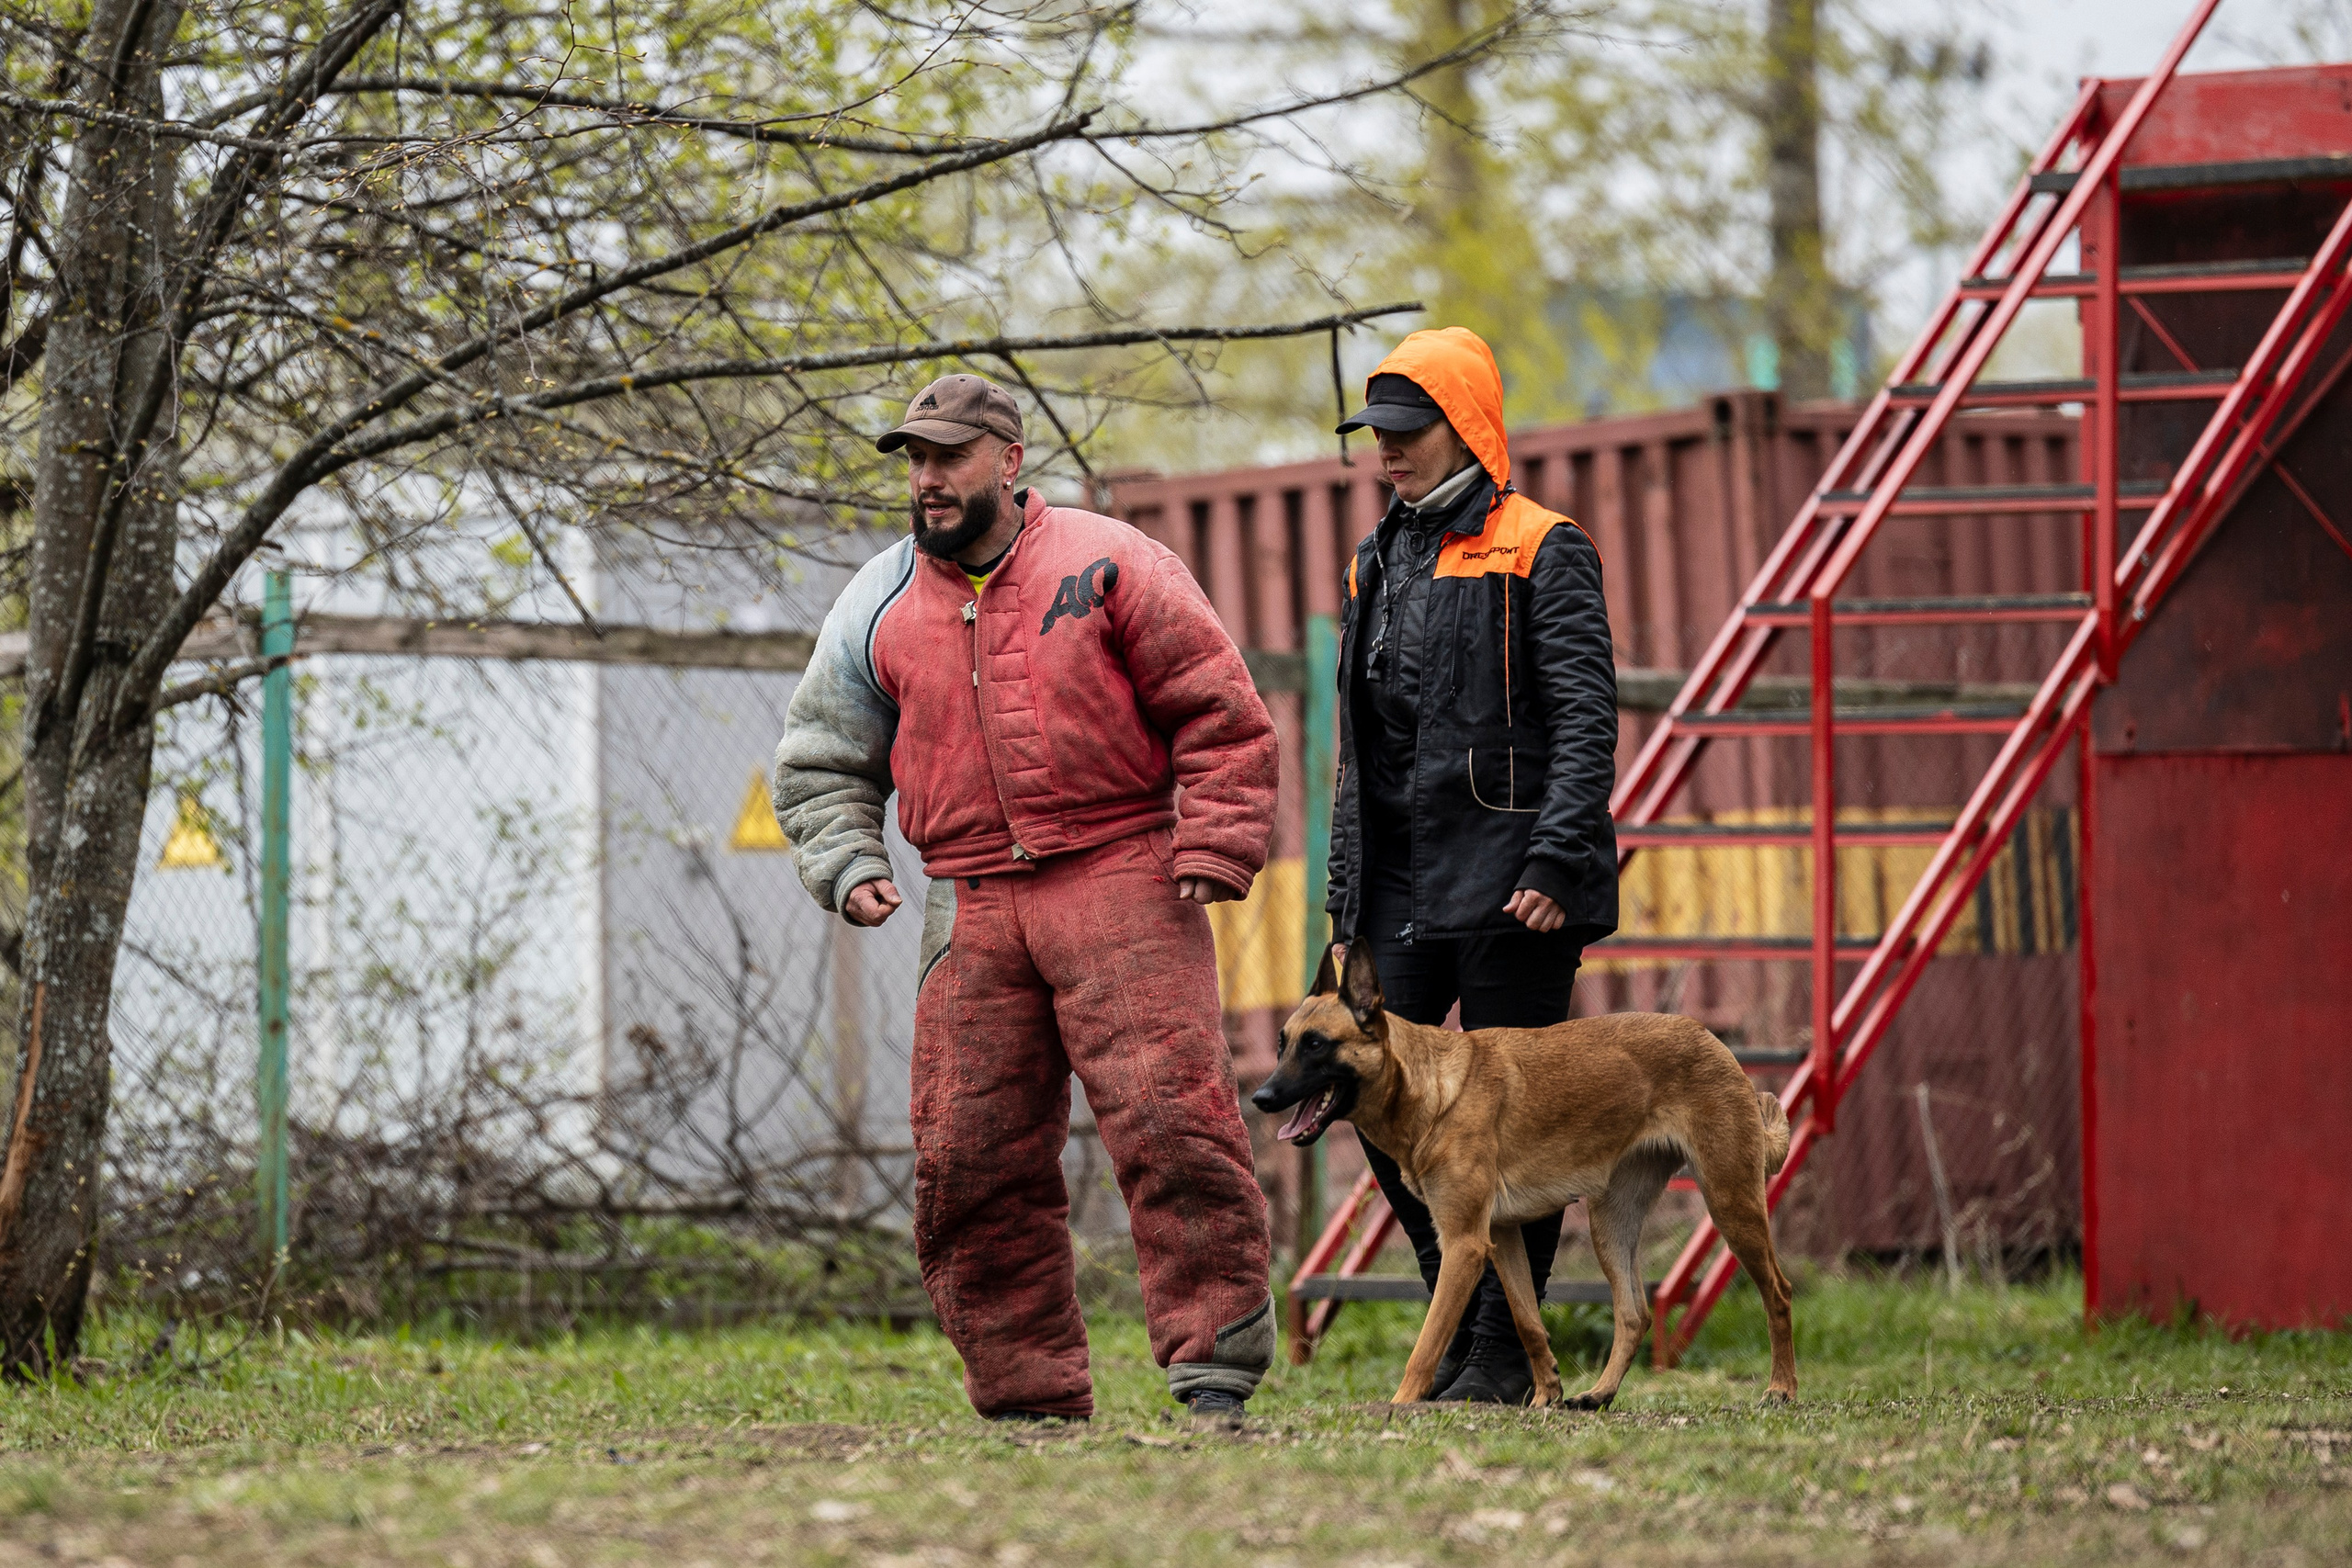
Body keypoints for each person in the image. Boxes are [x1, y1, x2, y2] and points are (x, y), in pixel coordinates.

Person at [771, 373, 1281, 1426]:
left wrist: (1217, 841)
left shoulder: (1114, 562)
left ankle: (1213, 1368)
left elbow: (1220, 716)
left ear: (1007, 460)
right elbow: (821, 759)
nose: (925, 480)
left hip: (1123, 873)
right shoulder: (875, 598)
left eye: (946, 457)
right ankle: (1024, 1393)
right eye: (913, 461)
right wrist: (850, 861)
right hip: (971, 901)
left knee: (1172, 1125)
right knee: (968, 1154)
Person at [1325, 328, 1620, 1404]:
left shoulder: (1546, 545)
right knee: (1368, 1092)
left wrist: (1557, 853)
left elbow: (1587, 717)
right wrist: (1347, 894)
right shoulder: (1373, 556)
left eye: (1405, 434)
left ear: (1469, 429)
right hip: (1399, 880)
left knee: (1517, 1121)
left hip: (1515, 880)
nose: (1386, 453)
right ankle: (1457, 1321)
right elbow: (1357, 747)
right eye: (1378, 435)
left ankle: (1499, 1358)